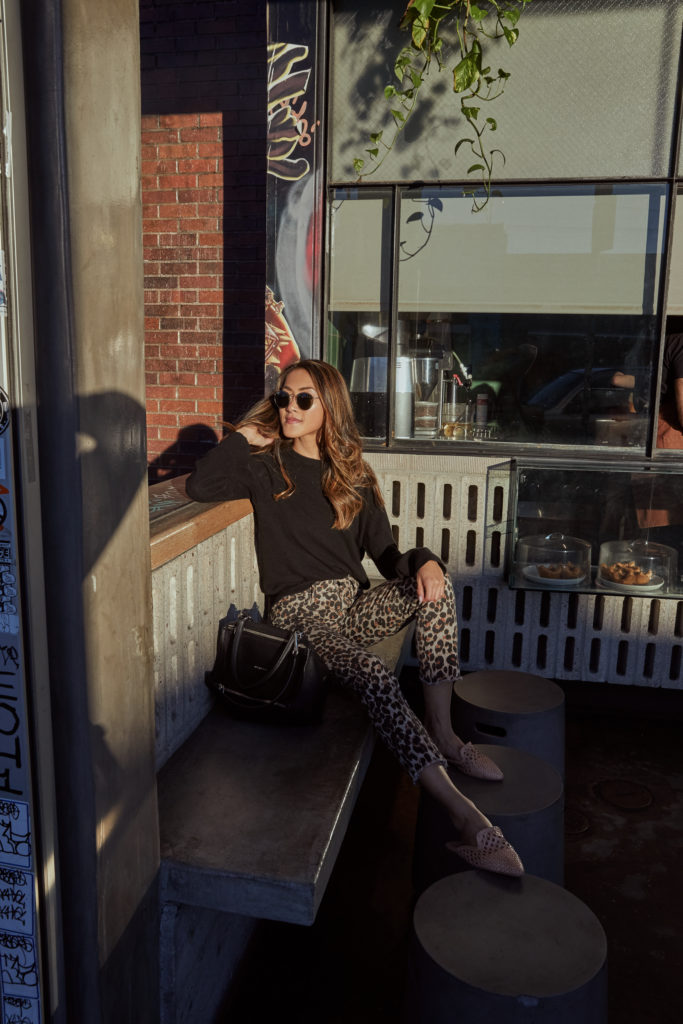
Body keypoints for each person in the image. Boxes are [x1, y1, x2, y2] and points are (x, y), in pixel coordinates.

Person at [186, 359, 523, 877]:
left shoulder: (353, 474)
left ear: (329, 407)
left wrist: (426, 560)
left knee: (433, 589)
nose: (289, 407)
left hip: (354, 604)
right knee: (371, 676)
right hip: (302, 614)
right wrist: (246, 436)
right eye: (283, 397)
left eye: (303, 399)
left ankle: (443, 730)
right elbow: (200, 486)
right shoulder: (264, 466)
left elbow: (386, 556)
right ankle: (464, 814)